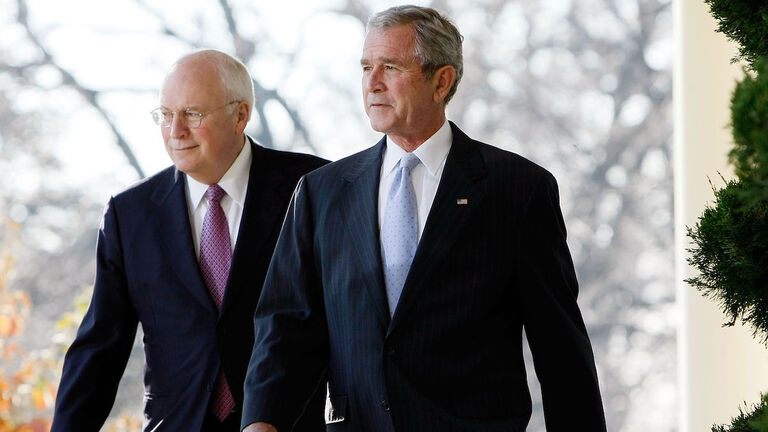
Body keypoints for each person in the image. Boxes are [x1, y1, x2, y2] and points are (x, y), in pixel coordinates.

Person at [242, 5, 607, 432]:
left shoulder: (518, 189)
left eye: (391, 67)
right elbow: (284, 331)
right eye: (365, 67)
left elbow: (559, 347)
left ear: (442, 81)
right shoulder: (321, 194)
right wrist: (261, 422)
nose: (372, 83)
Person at [51, 49, 328, 432]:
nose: (175, 130)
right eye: (165, 115)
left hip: (288, 424)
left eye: (193, 114)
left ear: (241, 115)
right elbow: (100, 347)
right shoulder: (130, 213)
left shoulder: (312, 186)